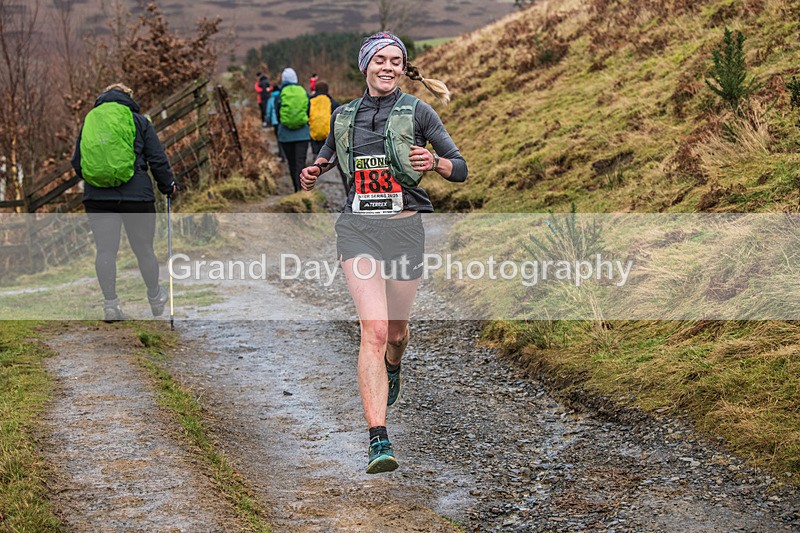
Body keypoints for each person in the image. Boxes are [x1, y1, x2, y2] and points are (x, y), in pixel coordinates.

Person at [299, 32, 468, 474]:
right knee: (372, 330)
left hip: (404, 232)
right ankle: (378, 439)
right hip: (357, 231)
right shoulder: (343, 116)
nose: (388, 67)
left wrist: (434, 163)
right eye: (380, 60)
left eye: (396, 60)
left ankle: (395, 363)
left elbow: (460, 168)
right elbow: (326, 157)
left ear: (402, 67)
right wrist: (314, 171)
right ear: (365, 66)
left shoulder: (418, 111)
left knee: (396, 333)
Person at [71, 83, 177, 322]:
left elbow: (78, 163)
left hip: (97, 199)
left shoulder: (90, 121)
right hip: (136, 197)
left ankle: (110, 305)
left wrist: (98, 181)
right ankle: (155, 297)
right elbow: (157, 159)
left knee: (106, 250)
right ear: (128, 98)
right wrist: (167, 185)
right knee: (144, 250)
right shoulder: (139, 121)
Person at [275, 67, 310, 193]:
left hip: (285, 135)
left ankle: (296, 189)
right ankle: (302, 190)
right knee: (301, 162)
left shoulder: (280, 94)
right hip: (303, 134)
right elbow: (308, 111)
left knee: (291, 163)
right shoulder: (303, 92)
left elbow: (278, 115)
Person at [308, 81, 340, 159]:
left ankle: (315, 155)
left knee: (315, 148)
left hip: (313, 131)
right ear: (327, 90)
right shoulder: (331, 101)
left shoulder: (310, 101)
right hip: (327, 131)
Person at [265, 83, 285, 162]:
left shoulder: (270, 99)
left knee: (278, 138)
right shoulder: (282, 97)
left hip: (274, 121)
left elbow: (268, 111)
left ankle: (282, 154)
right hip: (282, 120)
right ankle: (285, 154)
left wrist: (268, 121)